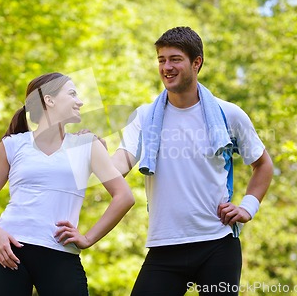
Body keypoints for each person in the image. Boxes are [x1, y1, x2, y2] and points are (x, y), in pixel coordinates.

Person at [111, 27, 273, 295]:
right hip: (164, 245)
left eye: (175, 59)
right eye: (161, 60)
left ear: (196, 62)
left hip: (218, 243)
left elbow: (263, 164)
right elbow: (121, 164)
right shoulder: (144, 116)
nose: (166, 67)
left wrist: (248, 207)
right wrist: (92, 157)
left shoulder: (228, 114)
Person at [0, 72, 135, 296]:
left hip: (60, 252)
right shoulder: (12, 145)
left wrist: (88, 238)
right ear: (49, 100)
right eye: (72, 94)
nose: (80, 101)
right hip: (8, 251)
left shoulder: (86, 145)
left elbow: (124, 196)